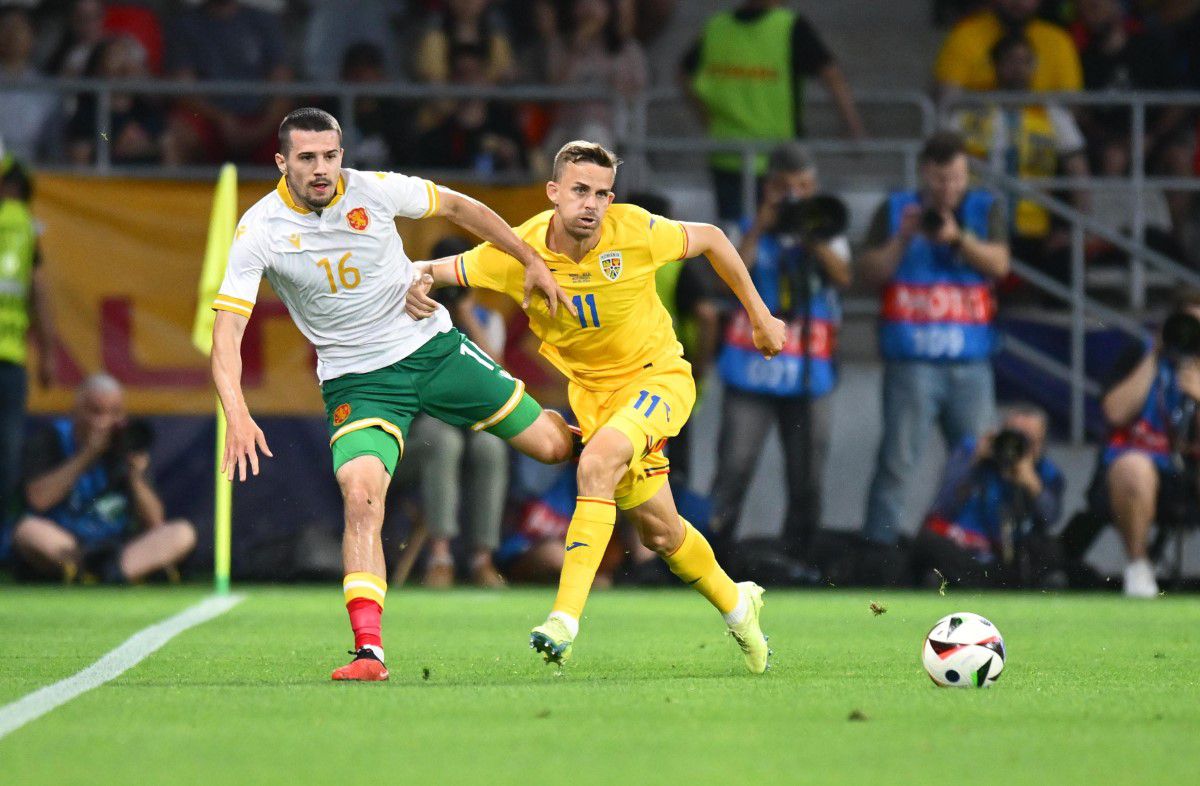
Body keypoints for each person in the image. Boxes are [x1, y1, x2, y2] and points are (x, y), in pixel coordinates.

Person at [210, 108, 575, 682]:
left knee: (554, 448)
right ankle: (368, 653)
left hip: (432, 349)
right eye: (307, 158)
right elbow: (227, 331)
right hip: (359, 380)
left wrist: (530, 258)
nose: (322, 168)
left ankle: (613, 430)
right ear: (282, 162)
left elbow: (461, 207)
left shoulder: (374, 190)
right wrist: (237, 411)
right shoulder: (260, 229)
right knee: (360, 496)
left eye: (331, 155)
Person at [407, 140, 787, 674]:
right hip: (596, 401)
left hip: (659, 379)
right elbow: (433, 269)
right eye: (581, 190)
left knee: (596, 462)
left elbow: (713, 239)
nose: (592, 204)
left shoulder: (635, 230)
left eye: (603, 193)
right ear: (553, 192)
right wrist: (417, 282)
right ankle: (736, 602)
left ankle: (563, 619)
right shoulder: (519, 253)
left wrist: (760, 315)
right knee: (662, 532)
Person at [858, 131, 1010, 565]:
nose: (949, 188)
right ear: (925, 172)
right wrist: (905, 237)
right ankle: (879, 554)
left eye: (958, 178)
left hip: (970, 362)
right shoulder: (894, 209)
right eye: (941, 179)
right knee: (897, 462)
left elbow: (1000, 265)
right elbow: (868, 271)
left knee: (981, 461)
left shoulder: (983, 209)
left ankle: (980, 550)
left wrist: (958, 239)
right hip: (912, 361)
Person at [708, 143, 851, 567]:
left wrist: (811, 236)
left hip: (810, 373)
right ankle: (712, 560)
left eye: (803, 188)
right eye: (786, 187)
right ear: (769, 186)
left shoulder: (828, 231)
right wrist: (763, 225)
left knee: (808, 475)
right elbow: (725, 278)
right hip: (750, 372)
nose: (795, 197)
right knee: (733, 468)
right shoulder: (742, 227)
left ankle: (800, 560)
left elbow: (844, 276)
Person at [681, 0, 865, 222]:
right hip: (779, 159)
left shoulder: (717, 26)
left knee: (734, 240)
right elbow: (831, 75)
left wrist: (707, 117)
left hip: (732, 154)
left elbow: (685, 74)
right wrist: (853, 127)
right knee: (787, 236)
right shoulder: (789, 26)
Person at [8, 374, 195, 583]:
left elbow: (155, 521)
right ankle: (90, 568)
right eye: (96, 411)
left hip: (118, 548)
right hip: (67, 544)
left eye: (114, 412)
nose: (105, 421)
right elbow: (38, 500)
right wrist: (88, 454)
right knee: (27, 530)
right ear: (77, 411)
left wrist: (135, 476)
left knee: (182, 532)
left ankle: (111, 573)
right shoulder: (51, 438)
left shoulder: (126, 444)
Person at [403, 237, 511, 589]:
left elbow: (500, 377)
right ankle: (440, 556)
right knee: (442, 440)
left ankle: (482, 558)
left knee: (490, 448)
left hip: (473, 422)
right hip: (420, 429)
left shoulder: (487, 319)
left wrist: (464, 312)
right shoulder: (412, 314)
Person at [948, 32, 1088, 274]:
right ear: (997, 65)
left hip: (1034, 228)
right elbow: (941, 164)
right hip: (979, 224)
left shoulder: (1052, 114)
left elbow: (1079, 174)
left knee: (1064, 263)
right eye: (1011, 60)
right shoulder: (968, 114)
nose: (1019, 68)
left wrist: (1074, 229)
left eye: (1026, 61)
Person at [1091, 292, 1200, 598]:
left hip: (1191, 473)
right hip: (1140, 467)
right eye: (1187, 325)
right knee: (1133, 466)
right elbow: (1114, 411)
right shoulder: (1139, 354)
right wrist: (1155, 355)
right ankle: (1138, 567)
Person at [911, 403, 1065, 588]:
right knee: (928, 542)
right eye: (1012, 437)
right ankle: (983, 585)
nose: (1016, 447)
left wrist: (1032, 484)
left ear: (1041, 445)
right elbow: (942, 506)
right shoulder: (971, 451)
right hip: (965, 553)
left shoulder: (1046, 472)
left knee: (1050, 550)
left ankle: (978, 586)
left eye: (1028, 441)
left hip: (1008, 558)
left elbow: (1050, 519)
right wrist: (974, 462)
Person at [0, 148, 58, 540]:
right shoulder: (23, 224)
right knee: (7, 454)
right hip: (10, 356)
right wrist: (49, 353)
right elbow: (39, 290)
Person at [164, 0, 293, 164]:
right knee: (175, 135)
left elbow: (283, 87)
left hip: (261, 119)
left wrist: (262, 128)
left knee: (301, 139)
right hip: (209, 119)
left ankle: (293, 190)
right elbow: (184, 89)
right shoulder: (184, 25)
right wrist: (222, 119)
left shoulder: (265, 22)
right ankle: (175, 190)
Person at [934, 0, 1083, 95]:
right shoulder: (965, 35)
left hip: (1042, 138)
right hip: (977, 136)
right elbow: (948, 100)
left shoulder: (1058, 40)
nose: (1018, 2)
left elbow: (1071, 106)